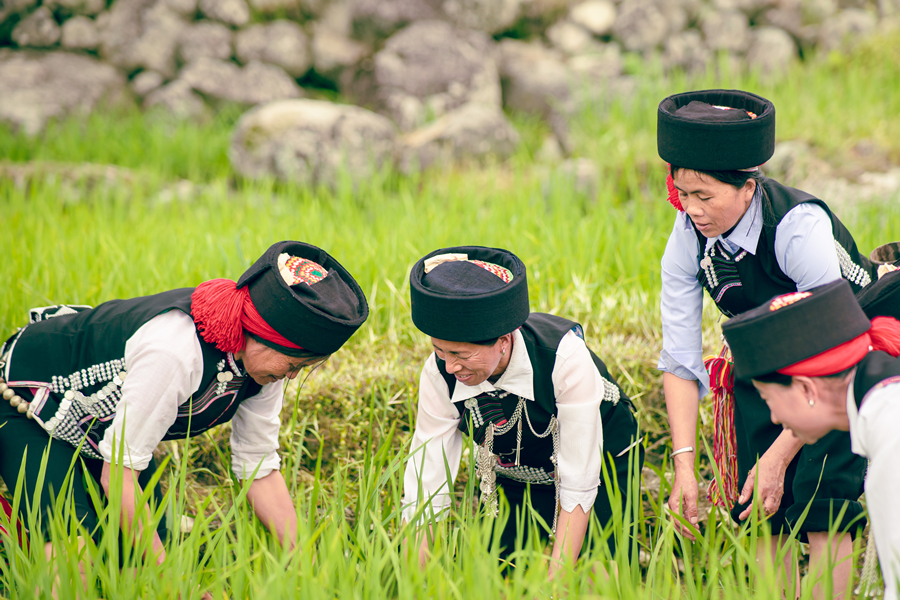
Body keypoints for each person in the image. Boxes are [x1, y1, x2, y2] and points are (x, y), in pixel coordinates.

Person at [0, 241, 368, 573]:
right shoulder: (175, 352)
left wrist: (309, 563)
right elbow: (119, 476)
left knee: (143, 551)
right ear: (266, 334)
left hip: (102, 430)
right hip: (29, 405)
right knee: (72, 558)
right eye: (293, 365)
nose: (291, 376)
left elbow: (258, 466)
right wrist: (170, 582)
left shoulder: (262, 367)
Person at [656, 89, 878, 597]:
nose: (691, 210)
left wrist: (779, 456)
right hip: (766, 361)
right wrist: (684, 466)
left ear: (748, 186)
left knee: (823, 501)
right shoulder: (688, 235)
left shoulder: (798, 227)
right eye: (682, 194)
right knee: (756, 509)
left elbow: (833, 345)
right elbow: (680, 359)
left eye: (704, 196)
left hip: (846, 358)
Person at [401, 246, 643, 577]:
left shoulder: (563, 358)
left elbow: (579, 480)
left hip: (601, 460)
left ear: (503, 341)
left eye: (462, 354)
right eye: (439, 350)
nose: (451, 365)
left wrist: (557, 581)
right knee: (495, 575)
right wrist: (412, 579)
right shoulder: (438, 373)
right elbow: (428, 484)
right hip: (517, 466)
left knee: (597, 576)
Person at [721, 273, 900, 599]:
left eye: (769, 400)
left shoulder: (891, 437)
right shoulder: (881, 407)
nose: (774, 418)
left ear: (806, 389)